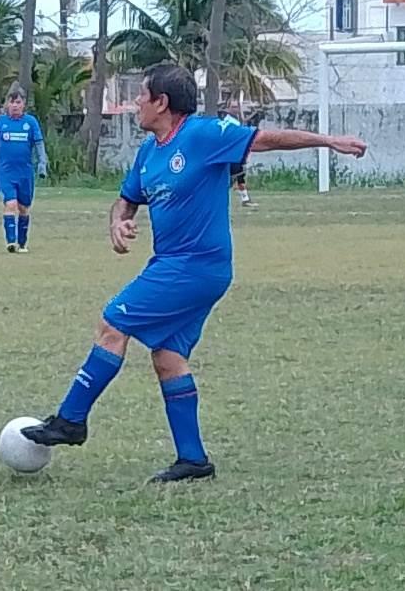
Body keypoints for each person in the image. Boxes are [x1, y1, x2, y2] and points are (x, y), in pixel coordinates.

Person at [20, 63, 366, 482]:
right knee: (168, 357)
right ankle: (194, 460)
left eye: (140, 96)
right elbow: (126, 199)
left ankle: (71, 419)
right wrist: (118, 221)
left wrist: (329, 140)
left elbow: (267, 139)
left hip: (197, 267)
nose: (135, 104)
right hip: (173, 265)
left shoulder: (202, 135)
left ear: (162, 103)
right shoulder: (149, 152)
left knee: (112, 323)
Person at [0, 85, 48, 253]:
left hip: (25, 173)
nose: (14, 106)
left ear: (23, 104)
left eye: (18, 102)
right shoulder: (0, 124)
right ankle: (11, 242)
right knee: (10, 204)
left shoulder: (30, 122)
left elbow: (38, 144)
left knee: (24, 208)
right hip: (5, 172)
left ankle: (22, 242)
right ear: (7, 104)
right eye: (11, 102)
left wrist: (42, 163)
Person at [219, 101, 258, 208]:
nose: (236, 109)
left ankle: (245, 199)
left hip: (235, 154)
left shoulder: (236, 121)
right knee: (232, 178)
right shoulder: (229, 122)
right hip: (231, 155)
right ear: (228, 109)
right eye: (233, 107)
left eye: (237, 107)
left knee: (239, 176)